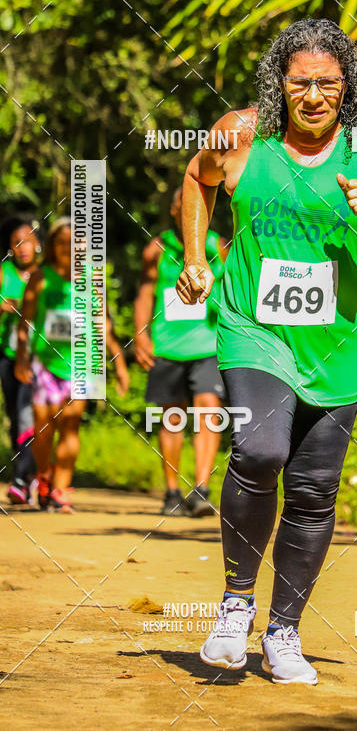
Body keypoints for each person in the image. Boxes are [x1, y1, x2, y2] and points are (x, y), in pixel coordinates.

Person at [176, 18, 357, 684]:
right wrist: (197, 257)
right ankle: (235, 605)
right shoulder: (239, 133)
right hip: (253, 328)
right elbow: (196, 181)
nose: (315, 96)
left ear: (347, 87)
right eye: (301, 84)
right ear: (279, 85)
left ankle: (283, 632)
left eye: (329, 84)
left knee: (314, 491)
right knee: (259, 450)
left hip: (338, 342)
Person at [15, 217, 130, 513]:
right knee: (44, 424)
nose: (68, 247)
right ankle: (43, 476)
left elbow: (102, 322)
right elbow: (25, 320)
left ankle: (61, 490)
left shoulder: (92, 278)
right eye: (61, 242)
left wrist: (118, 362)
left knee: (70, 423)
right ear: (53, 246)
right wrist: (22, 355)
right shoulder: (41, 277)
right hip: (46, 361)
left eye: (74, 242)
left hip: (83, 360)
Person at [135, 187, 227, 517]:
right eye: (180, 205)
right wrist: (141, 334)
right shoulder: (157, 248)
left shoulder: (217, 245)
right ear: (175, 211)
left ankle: (202, 489)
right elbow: (145, 293)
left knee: (208, 408)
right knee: (172, 417)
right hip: (168, 346)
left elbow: (235, 289)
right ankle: (172, 493)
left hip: (208, 345)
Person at [0, 216, 41, 504]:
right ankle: (26, 472)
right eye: (17, 242)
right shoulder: (4, 272)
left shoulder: (47, 274)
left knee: (32, 413)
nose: (23, 247)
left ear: (37, 244)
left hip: (41, 357)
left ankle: (23, 479)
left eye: (28, 240)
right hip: (9, 354)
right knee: (16, 415)